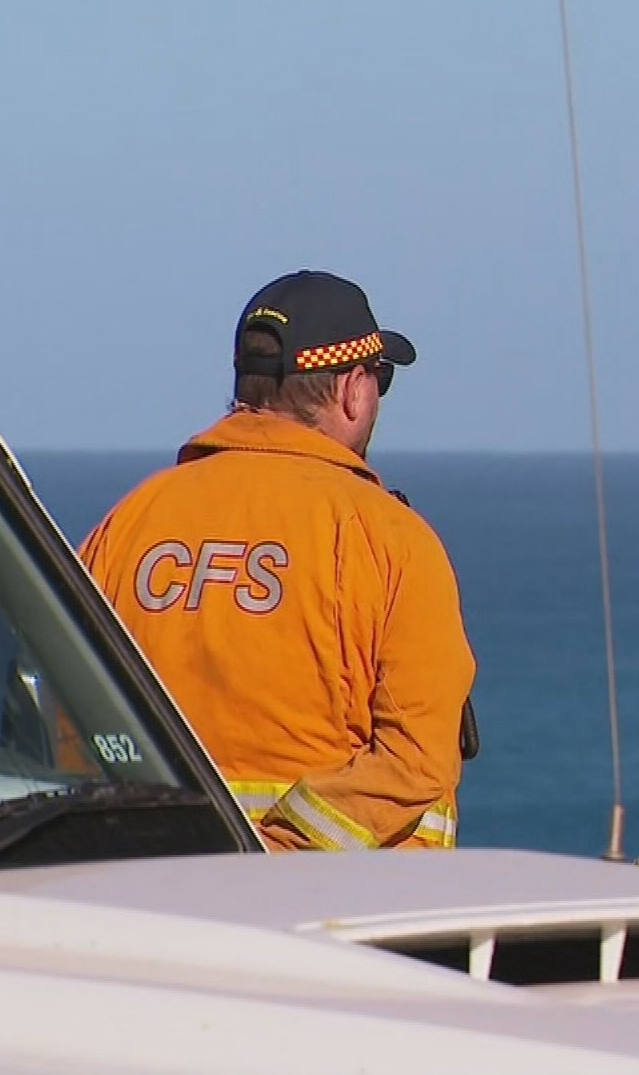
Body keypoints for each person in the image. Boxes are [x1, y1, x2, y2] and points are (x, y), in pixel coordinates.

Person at [79, 270, 474, 851]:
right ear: (352, 390)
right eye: (378, 379)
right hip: (328, 920)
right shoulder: (390, 541)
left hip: (146, 898)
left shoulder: (127, 523)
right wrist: (272, 854)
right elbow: (414, 765)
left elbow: (59, 720)